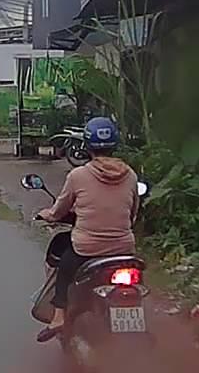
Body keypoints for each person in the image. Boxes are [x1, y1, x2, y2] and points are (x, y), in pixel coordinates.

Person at [34, 117, 139, 342]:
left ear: (87, 145)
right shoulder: (130, 175)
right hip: (124, 248)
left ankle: (59, 317)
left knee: (64, 270)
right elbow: (133, 214)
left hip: (87, 249)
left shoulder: (78, 176)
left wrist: (47, 215)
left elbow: (58, 211)